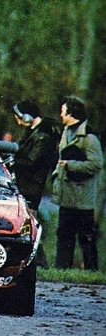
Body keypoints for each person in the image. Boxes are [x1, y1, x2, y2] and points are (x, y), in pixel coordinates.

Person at [52, 96, 104, 270]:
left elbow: (96, 164)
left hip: (83, 199)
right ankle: (61, 269)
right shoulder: (66, 132)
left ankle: (91, 270)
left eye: (63, 111)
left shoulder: (89, 137)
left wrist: (71, 165)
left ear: (71, 113)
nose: (61, 115)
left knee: (85, 238)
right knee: (64, 235)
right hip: (66, 196)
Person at [11, 99, 60, 268]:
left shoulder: (42, 137)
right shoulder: (34, 133)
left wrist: (13, 162)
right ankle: (38, 262)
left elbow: (32, 162)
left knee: (29, 227)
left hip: (31, 187)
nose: (18, 122)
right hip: (28, 185)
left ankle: (39, 263)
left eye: (19, 117)